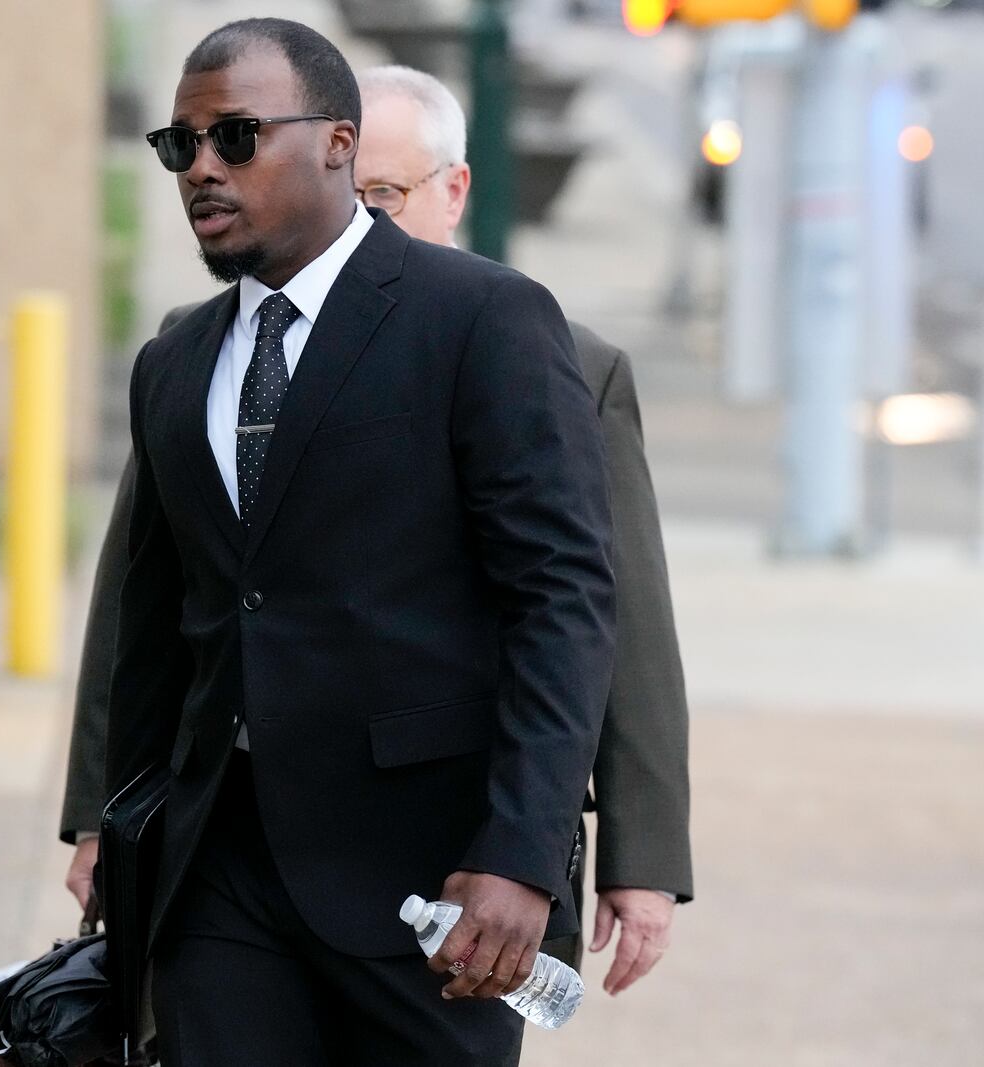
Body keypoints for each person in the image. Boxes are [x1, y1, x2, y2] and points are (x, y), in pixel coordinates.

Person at [62, 61, 695, 999]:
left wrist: (638, 849)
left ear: (454, 193)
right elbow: (140, 598)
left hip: (430, 853)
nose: (351, 217)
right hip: (229, 848)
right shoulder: (193, 349)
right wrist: (101, 815)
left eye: (384, 195)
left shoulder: (541, 348)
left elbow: (606, 608)